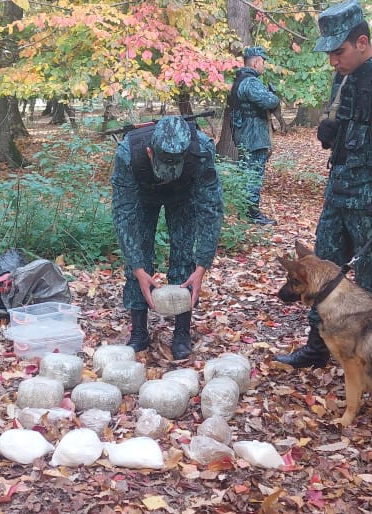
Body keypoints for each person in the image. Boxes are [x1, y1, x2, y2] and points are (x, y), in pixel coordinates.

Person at [276, 0, 372, 369]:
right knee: (319, 277)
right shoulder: (344, 79)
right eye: (329, 53)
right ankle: (319, 348)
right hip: (338, 196)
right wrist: (331, 134)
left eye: (339, 51)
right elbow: (354, 133)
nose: (333, 60)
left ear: (362, 42)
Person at [111, 116, 224, 360]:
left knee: (184, 256)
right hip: (142, 197)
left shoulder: (201, 151)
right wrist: (138, 268)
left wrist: (203, 265)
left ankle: (182, 332)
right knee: (138, 256)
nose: (169, 174)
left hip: (183, 197)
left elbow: (211, 209)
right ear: (150, 152)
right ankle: (139, 331)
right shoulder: (128, 153)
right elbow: (123, 214)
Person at [229, 46, 280, 225]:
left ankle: (245, 211)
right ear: (256, 61)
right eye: (263, 62)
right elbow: (271, 101)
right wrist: (273, 96)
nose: (263, 66)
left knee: (246, 174)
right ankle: (252, 214)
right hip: (253, 138)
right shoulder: (250, 82)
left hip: (245, 136)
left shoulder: (239, 80)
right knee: (253, 175)